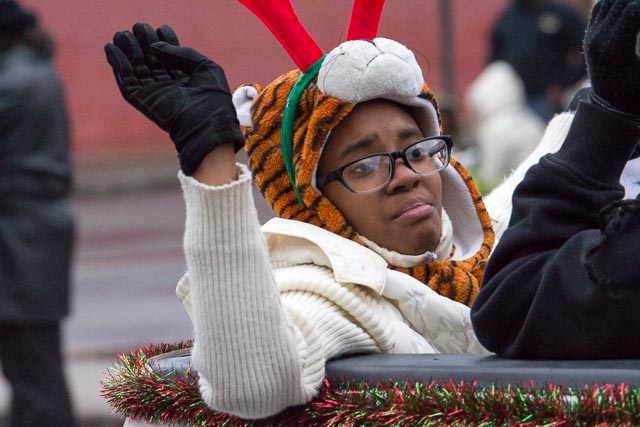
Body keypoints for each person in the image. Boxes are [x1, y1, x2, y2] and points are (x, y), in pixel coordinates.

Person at [104, 1, 496, 422]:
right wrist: (210, 158)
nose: (405, 175)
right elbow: (252, 383)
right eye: (363, 165)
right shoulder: (329, 296)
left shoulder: (479, 256)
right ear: (313, 203)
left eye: (417, 150)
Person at [472, 0, 640, 359]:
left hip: (548, 102)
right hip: (532, 104)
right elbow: (497, 59)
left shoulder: (560, 15)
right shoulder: (508, 18)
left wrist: (604, 117)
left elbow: (512, 303)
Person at [0, 1, 76, 426]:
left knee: (35, 378)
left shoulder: (16, 82)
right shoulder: (27, 71)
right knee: (33, 372)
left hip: (22, 242)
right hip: (29, 237)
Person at [490, 0, 587, 121]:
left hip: (546, 99)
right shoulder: (507, 18)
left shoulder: (560, 13)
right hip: (512, 102)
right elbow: (495, 62)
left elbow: (586, 47)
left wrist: (565, 83)